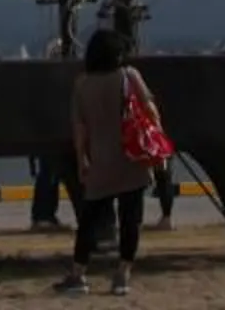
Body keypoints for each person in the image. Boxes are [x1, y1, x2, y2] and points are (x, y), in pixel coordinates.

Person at [58, 28, 157, 296]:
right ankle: (122, 275)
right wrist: (157, 147)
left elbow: (80, 131)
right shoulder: (129, 76)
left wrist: (82, 160)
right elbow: (150, 111)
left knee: (89, 221)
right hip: (131, 158)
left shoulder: (82, 84)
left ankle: (79, 275)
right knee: (130, 219)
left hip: (100, 161)